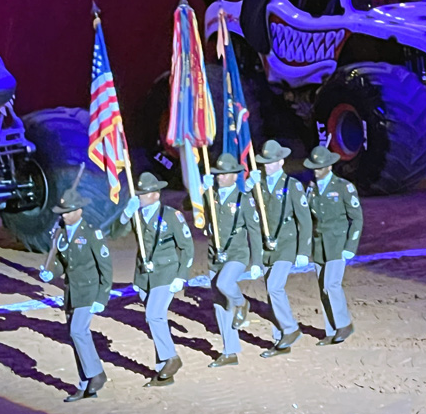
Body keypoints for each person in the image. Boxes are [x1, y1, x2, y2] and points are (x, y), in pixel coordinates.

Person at [119, 172, 194, 387]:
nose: (140, 197)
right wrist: (126, 213)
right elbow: (117, 233)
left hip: (166, 273)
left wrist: (181, 276)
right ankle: (164, 373)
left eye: (143, 193)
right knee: (156, 321)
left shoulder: (171, 215)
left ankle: (172, 358)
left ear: (155, 194)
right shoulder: (137, 214)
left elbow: (187, 247)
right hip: (144, 276)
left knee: (154, 316)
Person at [39, 187, 113, 402]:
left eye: (68, 211)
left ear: (79, 211)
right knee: (75, 338)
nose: (63, 215)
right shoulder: (60, 234)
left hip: (89, 291)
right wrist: (50, 272)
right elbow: (63, 265)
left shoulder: (91, 234)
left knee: (78, 331)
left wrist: (102, 298)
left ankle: (96, 374)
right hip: (72, 292)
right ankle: (85, 384)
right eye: (62, 212)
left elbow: (105, 267)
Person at [245, 140, 312, 358]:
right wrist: (246, 188)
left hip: (286, 244)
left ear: (281, 162)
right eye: (264, 162)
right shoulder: (258, 184)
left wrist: (303, 251)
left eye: (271, 162)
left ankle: (291, 330)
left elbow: (305, 221)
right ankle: (280, 340)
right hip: (266, 246)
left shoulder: (292, 186)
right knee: (271, 293)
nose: (267, 166)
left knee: (275, 287)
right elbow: (244, 209)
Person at [202, 153, 263, 367]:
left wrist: (257, 261)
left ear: (235, 176)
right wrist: (203, 189)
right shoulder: (212, 195)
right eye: (218, 174)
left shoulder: (243, 199)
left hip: (237, 253)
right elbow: (195, 209)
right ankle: (230, 351)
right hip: (215, 255)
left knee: (225, 284)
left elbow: (254, 231)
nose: (220, 177)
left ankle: (242, 303)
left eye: (225, 174)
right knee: (219, 304)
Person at [303, 146, 363, 346]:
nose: (315, 170)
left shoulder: (343, 187)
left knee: (331, 285)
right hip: (320, 244)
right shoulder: (311, 188)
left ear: (329, 166)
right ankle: (331, 329)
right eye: (314, 166)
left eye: (319, 167)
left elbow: (356, 218)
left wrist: (350, 246)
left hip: (337, 244)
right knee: (323, 288)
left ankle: (344, 324)